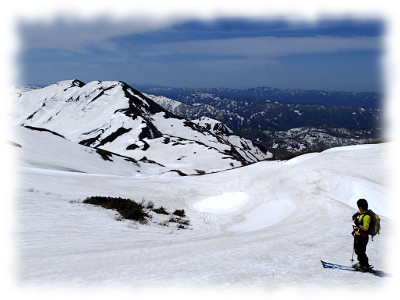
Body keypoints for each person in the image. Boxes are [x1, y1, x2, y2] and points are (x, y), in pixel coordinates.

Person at [351, 199, 371, 272]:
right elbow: (356, 216)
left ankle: (365, 265)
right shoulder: (362, 213)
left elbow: (366, 229)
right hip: (359, 236)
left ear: (361, 207)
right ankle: (361, 263)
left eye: (358, 206)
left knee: (361, 251)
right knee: (358, 250)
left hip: (362, 237)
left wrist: (358, 224)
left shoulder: (366, 216)